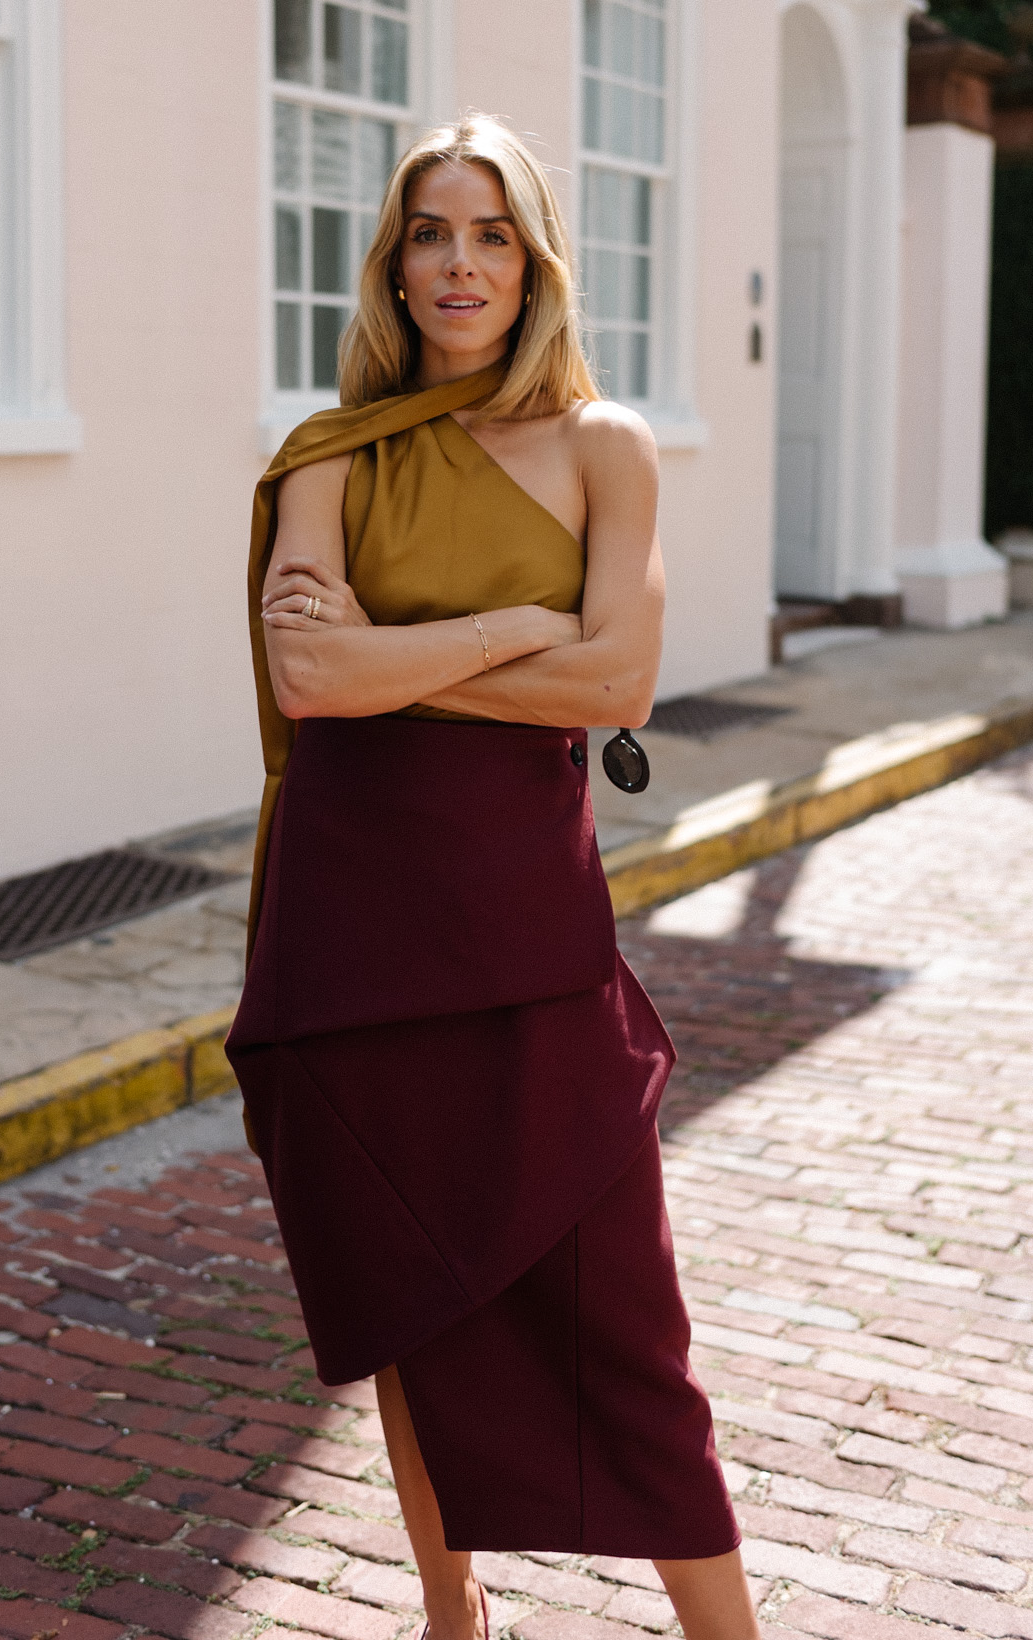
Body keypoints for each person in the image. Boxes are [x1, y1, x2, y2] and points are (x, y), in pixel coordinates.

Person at [225, 117, 759, 1640]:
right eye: (429, 233)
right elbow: (307, 674)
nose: (458, 263)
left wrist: (394, 663)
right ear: (391, 265)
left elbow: (629, 676)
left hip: (527, 930)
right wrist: (521, 632)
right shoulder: (330, 454)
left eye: (491, 234)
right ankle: (451, 1621)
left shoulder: (608, 446)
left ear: (536, 266)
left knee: (629, 1318)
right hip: (348, 938)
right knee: (405, 1296)